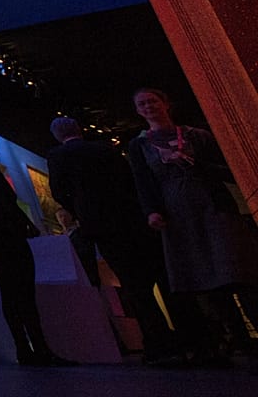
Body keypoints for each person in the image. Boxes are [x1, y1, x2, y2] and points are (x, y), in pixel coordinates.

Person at [47, 116, 201, 365]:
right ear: (79, 129)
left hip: (102, 227)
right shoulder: (104, 149)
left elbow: (58, 191)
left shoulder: (57, 156)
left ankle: (158, 341)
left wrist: (81, 211)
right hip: (133, 219)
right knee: (162, 277)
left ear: (57, 136)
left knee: (133, 285)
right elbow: (130, 179)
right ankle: (191, 339)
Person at [126, 87, 258, 363]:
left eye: (153, 101)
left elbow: (226, 169)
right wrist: (151, 211)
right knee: (206, 281)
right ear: (138, 111)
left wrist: (195, 163)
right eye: (143, 104)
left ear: (165, 103)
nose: (149, 106)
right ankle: (241, 343)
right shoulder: (140, 145)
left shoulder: (197, 136)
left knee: (239, 273)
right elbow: (143, 182)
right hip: (179, 218)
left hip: (214, 209)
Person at [0, 139, 75, 366]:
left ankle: (23, 349)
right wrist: (26, 226)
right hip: (8, 239)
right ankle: (41, 349)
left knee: (8, 294)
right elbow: (9, 204)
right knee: (24, 294)